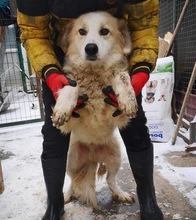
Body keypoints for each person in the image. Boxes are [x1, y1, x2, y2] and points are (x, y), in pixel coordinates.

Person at [16, 0, 163, 220]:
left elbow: (144, 22)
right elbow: (33, 31)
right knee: (54, 131)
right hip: (63, 50)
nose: (91, 43)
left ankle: (148, 199)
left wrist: (140, 71)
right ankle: (54, 204)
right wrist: (51, 74)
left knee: (135, 126)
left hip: (114, 55)